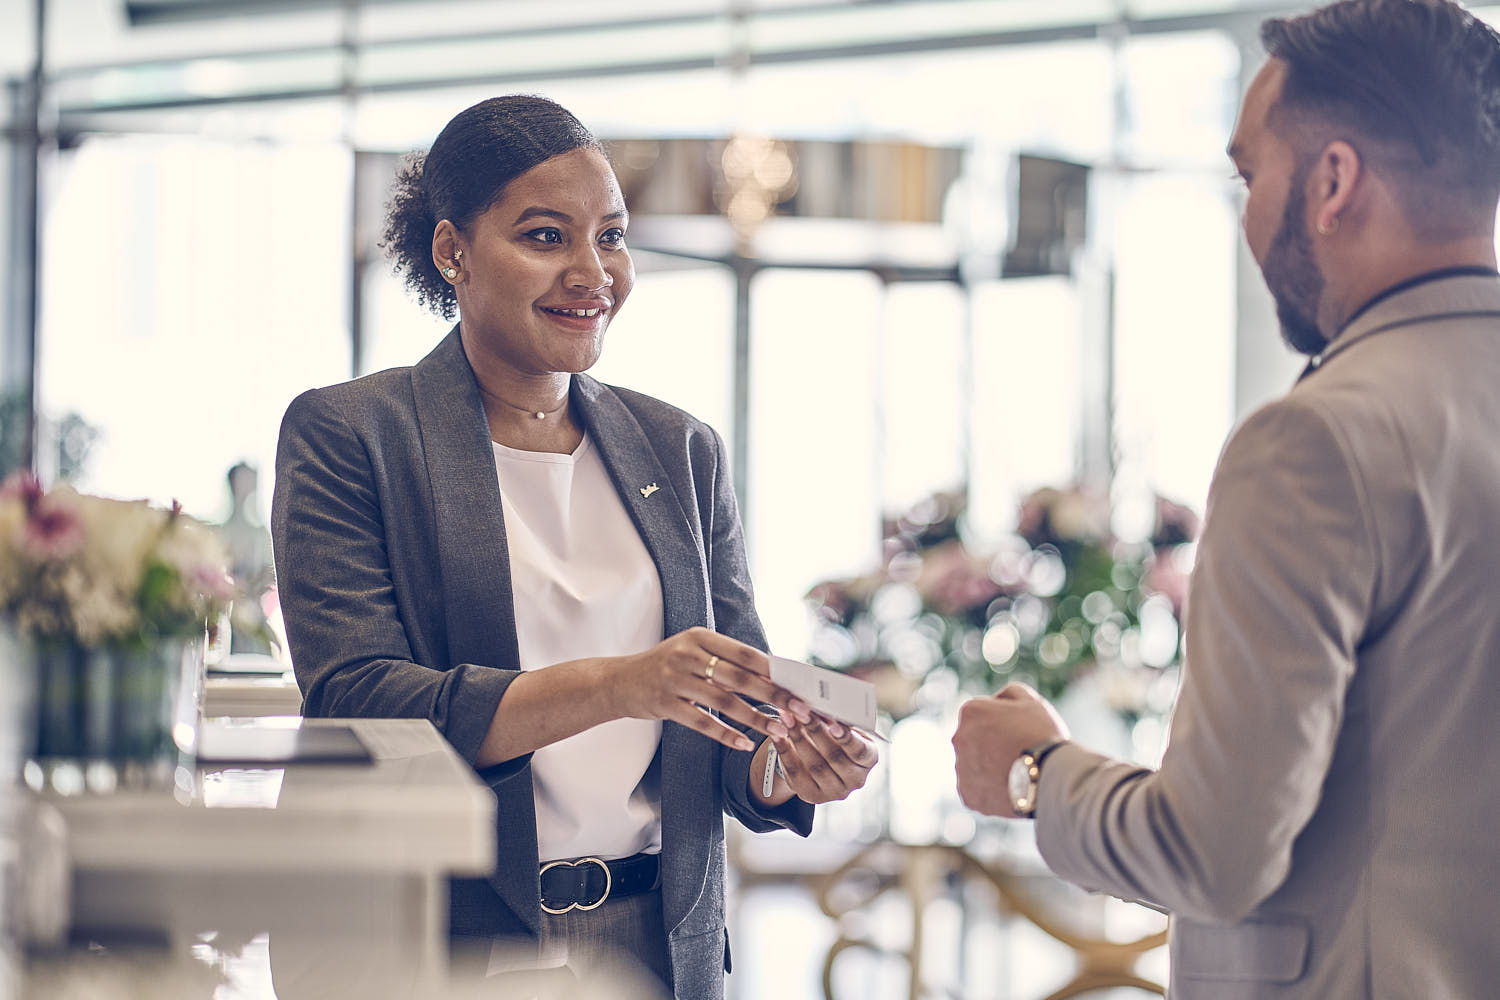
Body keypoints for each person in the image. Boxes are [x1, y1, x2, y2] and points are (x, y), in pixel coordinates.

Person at [271, 95, 877, 997]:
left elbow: (734, 703)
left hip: (655, 942)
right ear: (453, 252)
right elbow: (361, 702)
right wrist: (621, 682)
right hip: (430, 940)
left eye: (613, 237)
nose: (594, 273)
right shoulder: (354, 433)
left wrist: (785, 763)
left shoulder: (679, 449)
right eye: (547, 237)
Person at [951, 1, 1500, 997]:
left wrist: (1034, 771)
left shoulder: (1316, 442)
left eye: (1250, 175)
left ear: (1332, 183)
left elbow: (1214, 850)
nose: (1245, 212)